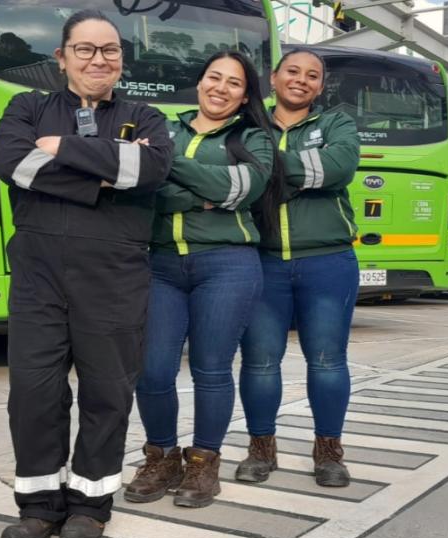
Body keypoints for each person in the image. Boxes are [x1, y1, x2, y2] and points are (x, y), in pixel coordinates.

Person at [0, 10, 173, 538]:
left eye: (110, 50)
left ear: (122, 58)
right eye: (86, 49)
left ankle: (90, 506)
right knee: (33, 390)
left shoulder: (146, 116)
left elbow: (152, 170)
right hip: (38, 274)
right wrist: (108, 173)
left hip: (115, 274)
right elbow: (12, 163)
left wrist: (60, 149)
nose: (100, 59)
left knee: (107, 392)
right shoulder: (27, 107)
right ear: (62, 57)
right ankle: (39, 506)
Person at [124, 51, 275, 508]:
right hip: (161, 265)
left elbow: (241, 189)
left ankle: (204, 463)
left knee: (211, 369)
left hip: (227, 264)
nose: (221, 88)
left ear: (245, 95)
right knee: (151, 370)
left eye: (234, 83)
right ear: (200, 81)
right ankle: (162, 456)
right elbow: (142, 188)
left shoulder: (254, 137)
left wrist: (167, 165)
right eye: (214, 78)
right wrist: (202, 193)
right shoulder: (162, 126)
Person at [236, 47, 362, 488]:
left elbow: (339, 166)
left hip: (328, 261)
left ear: (320, 87)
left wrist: (264, 168)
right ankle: (260, 448)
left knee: (328, 361)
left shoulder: (336, 124)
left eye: (312, 76)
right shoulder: (247, 123)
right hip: (262, 261)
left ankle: (328, 451)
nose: (301, 80)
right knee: (259, 362)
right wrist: (306, 170)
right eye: (293, 71)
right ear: (274, 78)